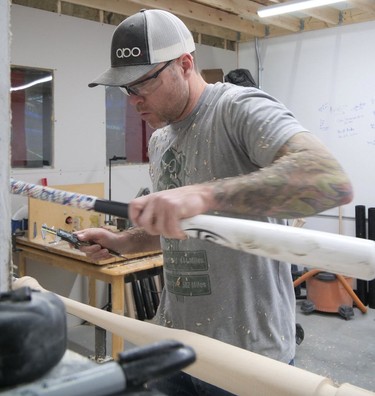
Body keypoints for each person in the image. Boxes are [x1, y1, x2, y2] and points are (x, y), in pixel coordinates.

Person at [78, 9, 353, 395]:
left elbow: (328, 181)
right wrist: (123, 242)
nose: (134, 101)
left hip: (249, 353)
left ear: (185, 64)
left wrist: (204, 194)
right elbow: (179, 229)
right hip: (175, 343)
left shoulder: (237, 109)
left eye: (142, 84)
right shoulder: (160, 140)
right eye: (126, 89)